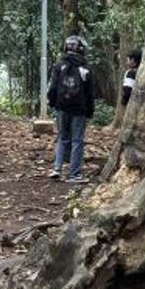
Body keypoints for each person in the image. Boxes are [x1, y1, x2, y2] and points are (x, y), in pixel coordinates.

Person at [46, 35, 98, 183]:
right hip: (79, 110)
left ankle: (57, 168)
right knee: (77, 140)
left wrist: (53, 103)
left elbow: (53, 88)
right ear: (81, 49)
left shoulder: (59, 65)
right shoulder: (86, 68)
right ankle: (74, 174)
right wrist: (90, 110)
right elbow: (90, 93)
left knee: (62, 138)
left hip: (62, 107)